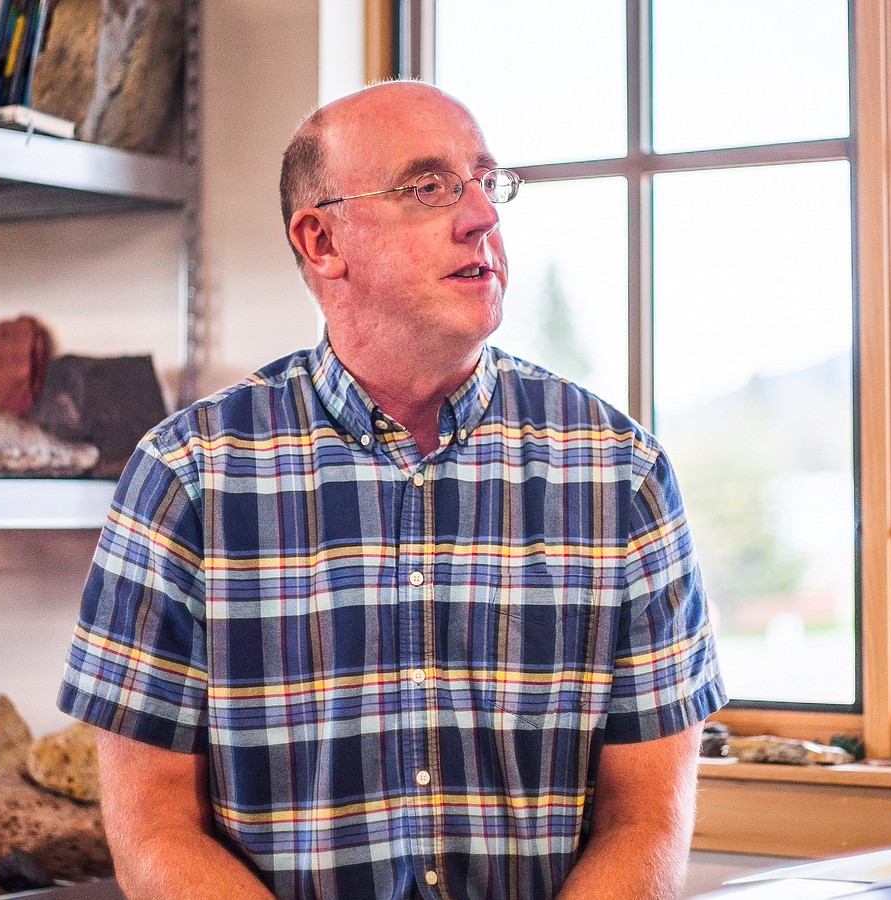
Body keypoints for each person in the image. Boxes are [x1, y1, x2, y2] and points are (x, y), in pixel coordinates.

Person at [57, 79, 727, 900]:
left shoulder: (621, 474)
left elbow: (647, 821)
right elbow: (154, 830)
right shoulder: (184, 479)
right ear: (322, 241)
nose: (483, 215)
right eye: (429, 187)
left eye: (487, 181)